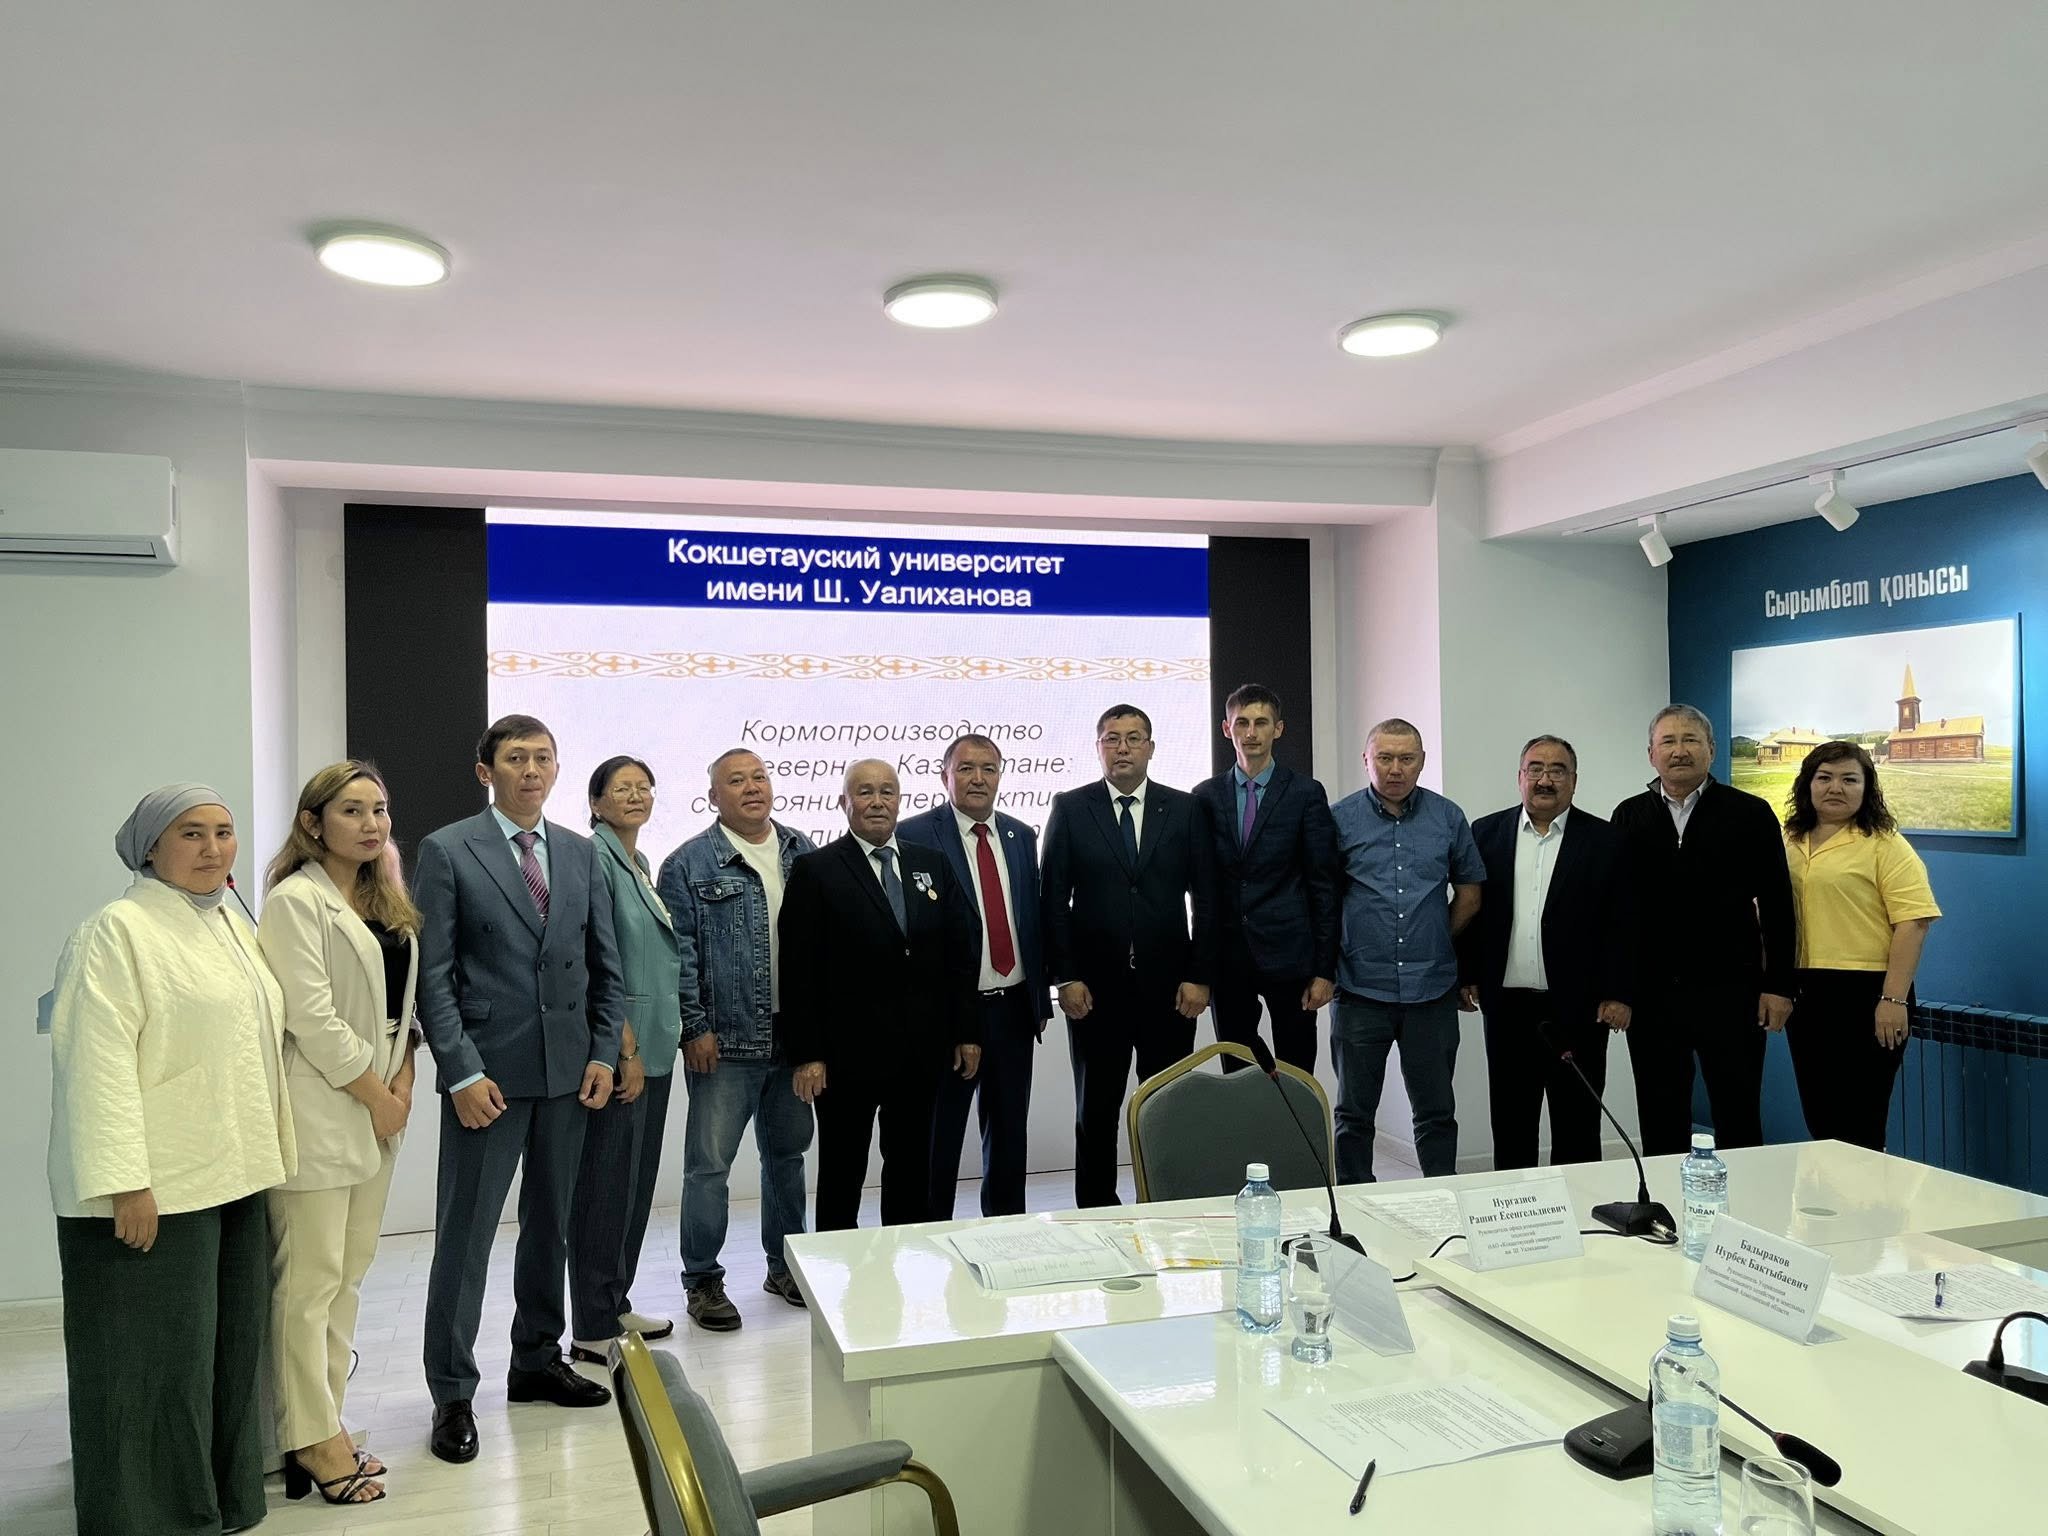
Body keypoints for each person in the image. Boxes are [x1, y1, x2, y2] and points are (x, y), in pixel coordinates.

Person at [47, 784, 296, 1534]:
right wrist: (125, 1184)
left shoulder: (228, 925)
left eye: (224, 831)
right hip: (156, 1187)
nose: (213, 849)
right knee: (148, 1364)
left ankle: (220, 1500)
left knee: (222, 1356)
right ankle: (147, 1518)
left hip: (233, 1174)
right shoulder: (116, 931)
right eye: (191, 834)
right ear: (151, 848)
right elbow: (96, 1065)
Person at [414, 714, 625, 1465]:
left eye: (542, 757)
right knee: (466, 1235)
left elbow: (605, 965)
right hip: (488, 1077)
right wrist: (462, 1071)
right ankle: (451, 1392)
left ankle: (536, 1360)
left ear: (557, 769)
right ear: (486, 771)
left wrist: (603, 1052)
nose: (530, 770)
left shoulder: (579, 851)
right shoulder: (447, 850)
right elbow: (432, 977)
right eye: (515, 758)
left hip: (568, 1073)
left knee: (551, 1226)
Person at [259, 762, 423, 1506]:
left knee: (348, 1276)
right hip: (324, 1106)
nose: (371, 824)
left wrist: (403, 1082)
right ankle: (309, 1437)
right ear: (312, 822)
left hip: (380, 1101)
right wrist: (377, 1094)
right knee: (310, 1282)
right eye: (352, 810)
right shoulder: (295, 902)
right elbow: (310, 1017)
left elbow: (403, 1010)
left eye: (379, 810)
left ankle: (325, 1419)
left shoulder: (384, 898)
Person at [780, 758, 981, 1230]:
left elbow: (960, 954)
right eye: (865, 792)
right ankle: (837, 1266)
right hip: (845, 1058)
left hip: (920, 1054)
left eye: (887, 791)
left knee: (911, 1170)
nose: (877, 802)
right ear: (844, 802)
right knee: (842, 1172)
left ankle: (904, 1264)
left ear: (899, 800)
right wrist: (807, 1054)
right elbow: (798, 970)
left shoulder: (931, 863)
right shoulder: (816, 869)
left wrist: (966, 1031)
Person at [658, 749, 818, 1331]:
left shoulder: (803, 850)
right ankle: (702, 1281)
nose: (752, 787)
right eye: (736, 780)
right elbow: (679, 956)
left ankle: (785, 1267)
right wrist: (694, 1028)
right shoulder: (687, 863)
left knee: (787, 1159)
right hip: (723, 1044)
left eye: (759, 777)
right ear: (713, 796)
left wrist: (819, 1040)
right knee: (709, 1168)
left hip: (793, 1040)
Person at [1041, 705, 1216, 1207]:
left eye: (1134, 738)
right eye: (1112, 738)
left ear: (1151, 748)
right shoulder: (1072, 808)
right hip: (1095, 992)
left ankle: (1164, 1201)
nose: (1122, 747)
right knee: (1096, 1109)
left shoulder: (1184, 809)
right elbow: (1053, 899)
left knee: (1166, 1105)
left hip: (1171, 990)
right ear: (1098, 748)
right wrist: (1065, 977)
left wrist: (1200, 976)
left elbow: (1207, 900)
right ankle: (1096, 1210)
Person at [1611, 704, 1796, 1155]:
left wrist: (1779, 987)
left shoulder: (1750, 813)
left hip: (1732, 994)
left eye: (1690, 740)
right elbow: (1616, 912)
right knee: (1659, 1117)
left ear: (1711, 750)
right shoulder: (1629, 815)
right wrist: (1617, 989)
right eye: (1668, 742)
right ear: (1651, 754)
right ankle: (1663, 1200)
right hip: (1653, 998)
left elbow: (1778, 905)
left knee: (1738, 1115)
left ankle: (1745, 1198)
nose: (1679, 751)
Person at [1457, 736, 1634, 1170]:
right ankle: (1513, 1208)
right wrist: (1467, 973)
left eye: (1557, 770)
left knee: (1578, 1125)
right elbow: (1472, 908)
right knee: (1511, 1123)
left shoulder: (1606, 840)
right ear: (1519, 777)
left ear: (1574, 781)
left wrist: (1618, 993)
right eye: (1535, 768)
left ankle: (1581, 1206)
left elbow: (1622, 923)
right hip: (1507, 1007)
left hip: (1579, 1008)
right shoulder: (1486, 833)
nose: (1545, 779)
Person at [900, 732, 1052, 1218]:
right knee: (939, 1137)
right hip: (948, 1016)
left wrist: (1039, 997)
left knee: (1009, 1134)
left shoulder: (1020, 835)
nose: (978, 778)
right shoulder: (915, 835)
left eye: (988, 768)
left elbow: (1031, 919)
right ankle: (929, 1234)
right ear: (945, 776)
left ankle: (1005, 1232)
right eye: (965, 768)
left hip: (1013, 1008)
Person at [1329, 719, 1484, 1181]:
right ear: (1367, 760)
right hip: (1359, 989)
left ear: (1421, 762)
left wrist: (1435, 936)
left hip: (1431, 991)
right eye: (1385, 758)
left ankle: (1440, 1198)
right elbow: (1322, 898)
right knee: (1354, 1115)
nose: (1395, 768)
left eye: (1406, 758)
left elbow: (1470, 894)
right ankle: (1355, 1201)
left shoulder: (1448, 817)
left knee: (1436, 1113)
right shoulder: (1338, 819)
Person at [568, 756, 682, 1363]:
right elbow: (597, 963)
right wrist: (624, 1048)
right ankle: (592, 1323)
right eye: (622, 788)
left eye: (644, 787)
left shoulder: (635, 862)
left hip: (655, 1049)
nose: (636, 796)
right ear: (596, 802)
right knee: (605, 1190)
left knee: (633, 1188)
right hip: (622, 1053)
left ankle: (614, 1303)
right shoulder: (594, 859)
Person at [1780, 741, 1940, 1150]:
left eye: (1849, 779)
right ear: (1807, 784)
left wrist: (1894, 999)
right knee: (1820, 1118)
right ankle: (1829, 1194)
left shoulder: (1884, 843)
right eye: (1825, 777)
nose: (1836, 788)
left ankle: (1868, 1193)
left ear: (1867, 788)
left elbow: (1914, 922)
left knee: (1861, 1122)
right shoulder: (1790, 840)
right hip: (1805, 991)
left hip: (1869, 993)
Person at [1191, 684, 1339, 1072]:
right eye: (1242, 723)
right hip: (1228, 959)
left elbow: (1324, 884)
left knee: (1298, 1070)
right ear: (1227, 729)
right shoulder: (1204, 796)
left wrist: (1325, 970)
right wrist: (1201, 966)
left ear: (1278, 728)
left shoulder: (1305, 793)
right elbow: (1202, 888)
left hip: (1292, 957)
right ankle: (1255, 1110)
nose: (1251, 732)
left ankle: (1288, 1114)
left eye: (1261, 722)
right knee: (1236, 1069)